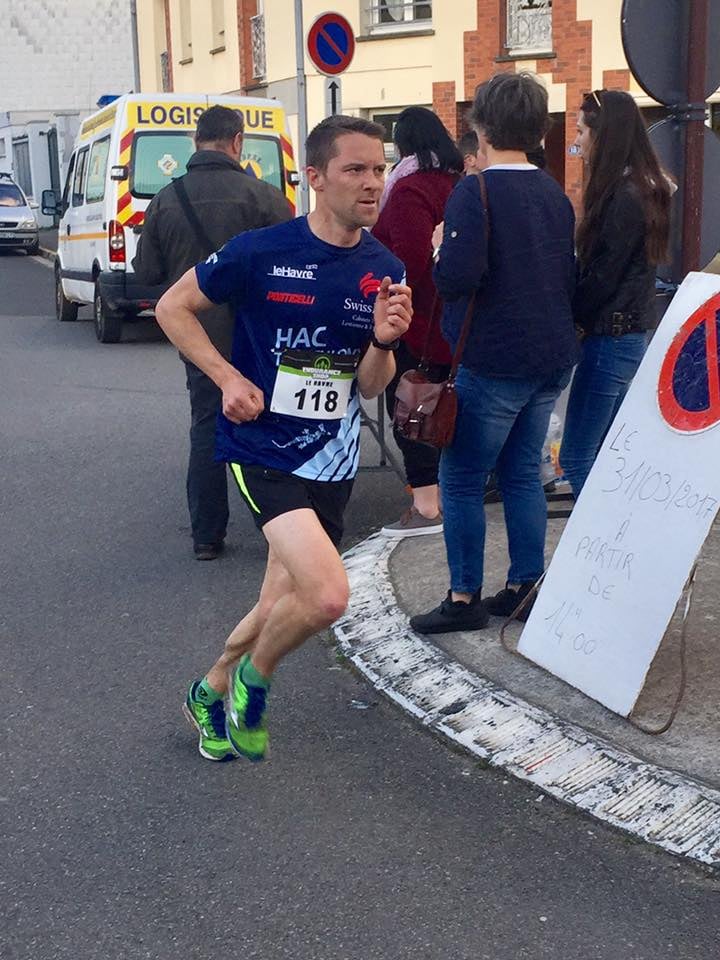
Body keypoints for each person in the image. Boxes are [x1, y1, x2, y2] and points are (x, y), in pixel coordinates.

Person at [154, 115, 412, 761]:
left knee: (278, 601)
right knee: (326, 597)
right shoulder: (260, 251)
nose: (373, 182)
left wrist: (384, 342)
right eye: (356, 169)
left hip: (333, 455)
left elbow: (371, 386)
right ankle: (255, 678)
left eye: (379, 169)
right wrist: (227, 378)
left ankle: (209, 690)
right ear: (315, 177)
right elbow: (171, 307)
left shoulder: (384, 268)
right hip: (262, 445)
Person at [410, 72, 578, 635]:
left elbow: (458, 279)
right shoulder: (553, 191)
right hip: (550, 357)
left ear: (479, 127)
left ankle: (464, 598)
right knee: (523, 474)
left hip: (495, 356)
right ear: (538, 129)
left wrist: (439, 249)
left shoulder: (474, 191)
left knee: (460, 479)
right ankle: (524, 585)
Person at [133, 105, 291, 560]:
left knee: (207, 426)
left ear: (195, 142)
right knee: (267, 425)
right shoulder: (265, 197)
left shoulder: (165, 200)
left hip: (199, 337)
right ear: (237, 141)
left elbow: (147, 272)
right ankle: (280, 528)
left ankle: (207, 535)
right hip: (260, 334)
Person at [559, 89, 671, 497]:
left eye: (581, 131)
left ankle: (601, 534)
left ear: (603, 133)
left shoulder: (624, 196)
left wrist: (570, 313)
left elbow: (603, 275)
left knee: (578, 457)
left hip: (610, 338)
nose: (578, 141)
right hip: (627, 336)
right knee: (610, 456)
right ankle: (619, 530)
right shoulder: (643, 187)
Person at [372, 106, 463, 536]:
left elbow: (408, 260)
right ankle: (445, 494)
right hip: (455, 322)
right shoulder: (459, 184)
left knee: (413, 408)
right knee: (445, 408)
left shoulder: (410, 190)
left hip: (418, 321)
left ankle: (427, 506)